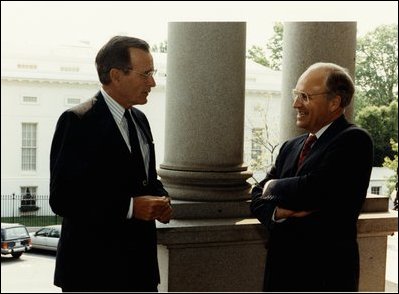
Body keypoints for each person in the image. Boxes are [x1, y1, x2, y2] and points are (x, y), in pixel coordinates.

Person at [49, 36, 172, 292]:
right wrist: (130, 207)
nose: (153, 82)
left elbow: (145, 179)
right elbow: (63, 198)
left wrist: (161, 199)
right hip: (93, 273)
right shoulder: (77, 122)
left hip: (140, 271)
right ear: (116, 75)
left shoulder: (140, 120)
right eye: (145, 74)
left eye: (153, 73)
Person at [250, 62, 373, 292]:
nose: (296, 104)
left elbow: (313, 190)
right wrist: (276, 212)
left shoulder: (354, 140)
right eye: (296, 95)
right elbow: (255, 197)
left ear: (334, 102)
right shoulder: (290, 146)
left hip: (325, 276)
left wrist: (271, 187)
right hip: (280, 277)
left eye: (305, 96)